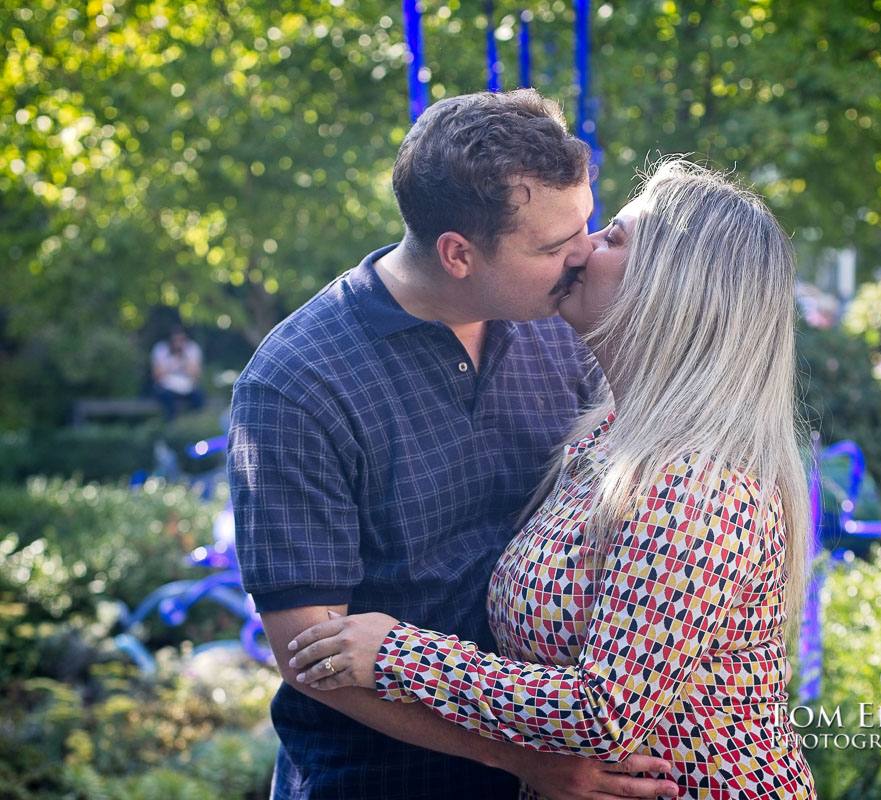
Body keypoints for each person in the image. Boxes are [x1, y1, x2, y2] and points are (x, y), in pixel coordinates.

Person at [284, 159, 818, 799]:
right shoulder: (609, 436)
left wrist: (399, 655)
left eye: (613, 236)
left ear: (671, 290)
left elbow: (605, 711)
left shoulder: (693, 482)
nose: (583, 250)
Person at [228, 89, 679, 800]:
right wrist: (523, 761)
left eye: (586, 225)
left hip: (559, 755)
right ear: (458, 253)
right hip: (381, 778)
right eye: (555, 244)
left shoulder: (559, 321)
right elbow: (307, 653)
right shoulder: (298, 384)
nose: (584, 254)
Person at [151, 326, 205, 420]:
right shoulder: (161, 349)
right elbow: (157, 374)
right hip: (166, 387)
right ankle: (171, 424)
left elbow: (195, 373)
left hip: (186, 386)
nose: (178, 343)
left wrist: (184, 358)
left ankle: (191, 422)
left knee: (199, 398)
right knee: (167, 399)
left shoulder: (192, 348)